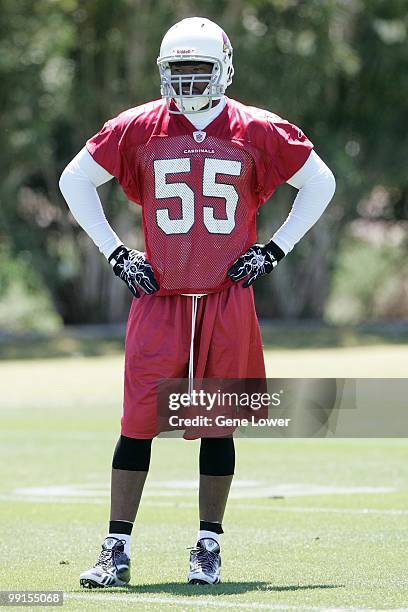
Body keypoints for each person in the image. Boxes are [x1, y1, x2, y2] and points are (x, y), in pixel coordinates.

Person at [59, 16, 335, 588]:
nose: (187, 80)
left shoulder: (258, 128)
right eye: (177, 69)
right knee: (137, 421)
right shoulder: (140, 125)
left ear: (224, 69)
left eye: (198, 68)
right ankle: (116, 548)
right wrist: (114, 253)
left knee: (218, 426)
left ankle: (208, 545)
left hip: (224, 297)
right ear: (163, 71)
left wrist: (274, 250)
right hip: (159, 294)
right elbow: (74, 180)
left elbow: (321, 182)